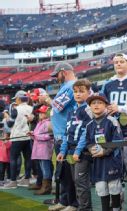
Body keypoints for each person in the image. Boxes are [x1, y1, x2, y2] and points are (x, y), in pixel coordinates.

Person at [101, 53, 127, 211]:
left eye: (121, 62)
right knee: (114, 168)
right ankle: (117, 197)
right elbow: (100, 106)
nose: (118, 64)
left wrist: (121, 109)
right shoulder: (107, 84)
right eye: (116, 62)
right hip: (112, 132)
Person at [56, 79, 93, 211]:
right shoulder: (71, 111)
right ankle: (78, 206)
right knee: (75, 181)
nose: (78, 94)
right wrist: (62, 151)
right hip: (71, 151)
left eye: (81, 91)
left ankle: (85, 208)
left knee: (81, 182)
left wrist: (78, 150)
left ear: (89, 92)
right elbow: (67, 133)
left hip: (82, 152)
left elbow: (86, 133)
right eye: (75, 92)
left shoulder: (88, 110)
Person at [48, 62, 78, 211]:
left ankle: (73, 203)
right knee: (63, 173)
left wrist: (47, 100)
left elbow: (58, 106)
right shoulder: (64, 87)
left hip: (67, 136)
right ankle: (64, 201)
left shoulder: (72, 85)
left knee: (69, 172)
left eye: (56, 75)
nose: (55, 78)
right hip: (59, 136)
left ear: (64, 72)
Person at [86, 93, 124, 211]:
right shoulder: (89, 125)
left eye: (100, 102)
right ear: (90, 106)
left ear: (106, 106)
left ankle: (117, 208)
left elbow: (118, 141)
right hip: (98, 162)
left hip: (112, 160)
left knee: (114, 187)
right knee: (101, 188)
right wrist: (91, 148)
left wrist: (105, 151)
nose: (96, 105)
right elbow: (88, 142)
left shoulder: (112, 121)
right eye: (93, 103)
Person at [1, 90, 33, 189]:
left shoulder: (16, 109)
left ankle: (13, 181)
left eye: (16, 99)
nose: (16, 101)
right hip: (27, 136)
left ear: (19, 99)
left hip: (17, 136)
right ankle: (26, 179)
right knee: (27, 158)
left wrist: (6, 116)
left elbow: (10, 123)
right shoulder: (31, 107)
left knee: (13, 158)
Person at [28, 105, 54, 195]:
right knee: (43, 169)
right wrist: (32, 134)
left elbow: (49, 136)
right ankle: (45, 186)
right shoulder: (40, 122)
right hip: (39, 150)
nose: (40, 114)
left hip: (45, 150)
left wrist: (36, 136)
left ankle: (46, 188)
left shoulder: (49, 123)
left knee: (46, 169)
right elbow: (37, 135)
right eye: (40, 112)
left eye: (42, 112)